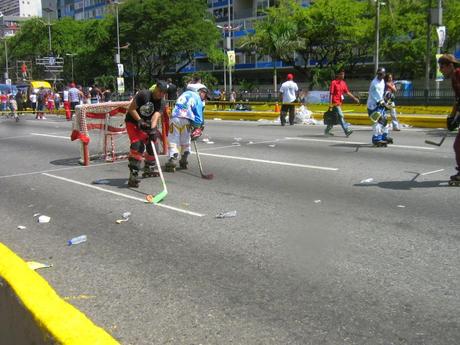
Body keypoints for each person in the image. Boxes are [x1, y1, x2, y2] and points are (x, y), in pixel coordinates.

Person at [125, 81, 168, 188]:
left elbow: (155, 116)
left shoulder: (162, 102)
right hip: (133, 123)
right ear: (156, 89)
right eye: (160, 91)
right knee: (138, 146)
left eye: (164, 93)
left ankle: (149, 167)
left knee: (153, 147)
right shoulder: (144, 94)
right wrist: (139, 120)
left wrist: (153, 130)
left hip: (147, 124)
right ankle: (133, 175)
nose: (161, 94)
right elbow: (131, 109)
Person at [165, 83, 208, 172]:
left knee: (173, 140)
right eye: (203, 92)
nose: (205, 96)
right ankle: (184, 159)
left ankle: (172, 160)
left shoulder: (183, 94)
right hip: (186, 121)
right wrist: (197, 127)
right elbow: (198, 117)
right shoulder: (197, 98)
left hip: (175, 118)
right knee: (185, 140)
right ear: (198, 90)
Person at [438, 54, 460, 184]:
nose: (440, 70)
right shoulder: (454, 78)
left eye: (442, 67)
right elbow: (457, 100)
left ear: (450, 65)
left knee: (458, 145)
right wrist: (452, 116)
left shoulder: (458, 74)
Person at [326, 69, 360, 136]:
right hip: (334, 103)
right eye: (341, 74)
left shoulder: (343, 83)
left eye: (343, 74)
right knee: (341, 116)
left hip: (339, 103)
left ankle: (326, 131)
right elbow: (331, 94)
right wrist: (330, 104)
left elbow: (347, 92)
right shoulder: (333, 82)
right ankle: (346, 131)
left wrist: (354, 98)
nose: (343, 75)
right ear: (337, 75)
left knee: (333, 118)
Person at [367, 67, 392, 146]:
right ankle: (376, 138)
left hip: (379, 105)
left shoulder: (382, 81)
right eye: (379, 74)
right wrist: (386, 105)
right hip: (373, 106)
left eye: (381, 74)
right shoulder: (374, 84)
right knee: (379, 121)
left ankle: (384, 136)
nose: (380, 75)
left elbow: (382, 94)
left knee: (384, 121)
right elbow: (378, 98)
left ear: (384, 74)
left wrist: (387, 94)